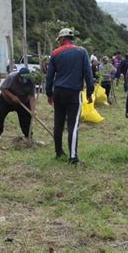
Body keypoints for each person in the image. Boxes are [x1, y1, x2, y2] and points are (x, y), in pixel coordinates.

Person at [46, 28, 94, 165]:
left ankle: (58, 152)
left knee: (58, 123)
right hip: (73, 92)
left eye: (59, 40)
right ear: (71, 38)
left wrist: (49, 94)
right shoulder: (82, 52)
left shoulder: (55, 53)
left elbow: (49, 77)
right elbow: (88, 74)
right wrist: (89, 93)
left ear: (61, 39)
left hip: (58, 92)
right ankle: (73, 157)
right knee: (73, 125)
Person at [0, 68, 36, 140]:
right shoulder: (12, 77)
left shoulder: (31, 81)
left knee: (26, 119)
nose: (24, 80)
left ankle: (28, 136)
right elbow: (2, 88)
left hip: (23, 101)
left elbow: (32, 97)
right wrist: (12, 96)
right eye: (22, 78)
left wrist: (33, 110)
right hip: (6, 100)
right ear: (19, 76)